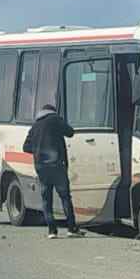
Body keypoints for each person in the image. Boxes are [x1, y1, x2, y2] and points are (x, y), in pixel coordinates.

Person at [21, 102, 82, 238]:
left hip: (41, 167)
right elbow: (70, 132)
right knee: (65, 197)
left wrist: (38, 150)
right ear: (52, 112)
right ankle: (71, 229)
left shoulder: (35, 126)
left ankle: (51, 231)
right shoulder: (55, 119)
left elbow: (25, 147)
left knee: (46, 199)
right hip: (57, 165)